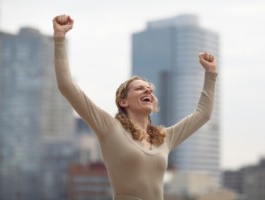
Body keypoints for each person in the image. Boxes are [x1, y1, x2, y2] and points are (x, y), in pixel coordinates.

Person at [53, 15, 217, 200]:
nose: (147, 90)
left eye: (150, 89)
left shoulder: (164, 138)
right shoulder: (109, 128)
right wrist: (59, 39)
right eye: (140, 88)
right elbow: (66, 85)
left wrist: (210, 74)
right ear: (123, 102)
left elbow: (203, 114)